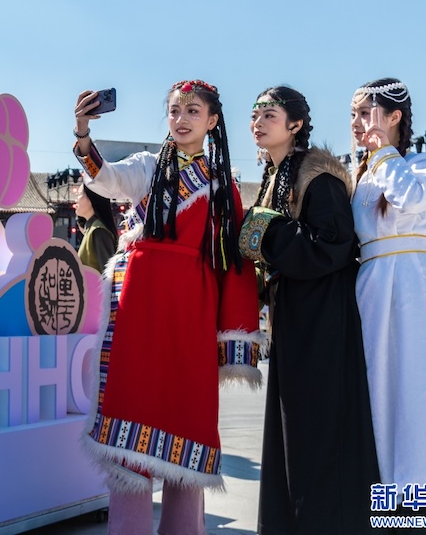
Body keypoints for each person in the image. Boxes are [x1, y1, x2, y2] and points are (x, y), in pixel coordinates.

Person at [74, 81, 263, 535]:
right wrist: (83, 135)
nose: (181, 119)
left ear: (212, 121)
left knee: (187, 419)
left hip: (191, 310)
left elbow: (233, 262)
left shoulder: (222, 185)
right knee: (131, 408)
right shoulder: (148, 166)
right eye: (175, 110)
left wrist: (232, 333)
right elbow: (106, 177)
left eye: (193, 111)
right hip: (139, 306)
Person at [240, 85, 381, 534]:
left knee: (321, 435)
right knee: (296, 434)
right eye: (255, 115)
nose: (258, 122)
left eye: (270, 115)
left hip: (324, 318)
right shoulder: (277, 174)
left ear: (296, 124)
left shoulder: (318, 175)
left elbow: (333, 245)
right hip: (295, 317)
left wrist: (267, 232)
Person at [351, 78, 426, 513]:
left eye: (365, 112)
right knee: (380, 400)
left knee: (421, 396)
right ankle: (387, 509)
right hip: (371, 288)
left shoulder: (423, 162)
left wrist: (384, 152)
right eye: (353, 114)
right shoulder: (361, 176)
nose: (357, 122)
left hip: (415, 288)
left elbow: (412, 199)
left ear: (394, 116)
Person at [75, 182, 117, 272]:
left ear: (92, 197)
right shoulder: (92, 229)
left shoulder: (98, 230)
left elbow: (108, 274)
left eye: (79, 194)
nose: (76, 199)